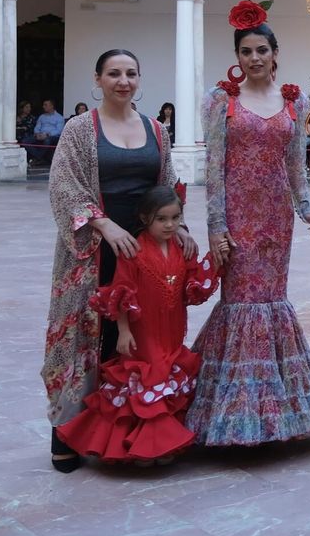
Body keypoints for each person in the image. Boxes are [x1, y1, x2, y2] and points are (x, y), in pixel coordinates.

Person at [43, 49, 197, 473]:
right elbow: (63, 185)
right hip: (91, 251)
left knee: (134, 340)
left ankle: (125, 436)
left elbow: (166, 184)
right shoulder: (79, 129)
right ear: (98, 79)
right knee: (84, 337)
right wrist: (104, 224)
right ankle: (67, 433)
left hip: (144, 251)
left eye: (131, 73)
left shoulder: (156, 129)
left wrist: (178, 227)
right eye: (114, 73)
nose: (123, 81)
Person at [190, 2, 310, 447]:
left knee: (272, 298)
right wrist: (216, 226)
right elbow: (214, 167)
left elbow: (294, 162)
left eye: (262, 50)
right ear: (237, 56)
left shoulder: (295, 101)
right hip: (236, 218)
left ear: (275, 54)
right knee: (239, 302)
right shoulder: (221, 100)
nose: (254, 58)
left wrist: (305, 206)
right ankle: (233, 410)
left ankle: (277, 409)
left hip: (275, 219)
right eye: (246, 51)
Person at [57, 186, 219, 464]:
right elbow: (122, 291)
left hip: (171, 330)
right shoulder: (133, 251)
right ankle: (143, 444)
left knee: (167, 373)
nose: (169, 225)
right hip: (143, 332)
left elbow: (193, 287)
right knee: (148, 377)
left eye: (175, 218)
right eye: (161, 219)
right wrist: (124, 331)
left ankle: (165, 442)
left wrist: (216, 260)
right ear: (145, 218)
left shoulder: (183, 248)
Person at [30, 99, 66, 166]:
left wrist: (47, 134)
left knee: (47, 140)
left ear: (51, 106)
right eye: (44, 105)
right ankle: (40, 158)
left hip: (52, 136)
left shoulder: (59, 117)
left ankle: (38, 158)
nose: (43, 107)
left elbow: (59, 130)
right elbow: (37, 127)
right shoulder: (42, 117)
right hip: (40, 135)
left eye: (45, 105)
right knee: (25, 141)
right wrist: (37, 133)